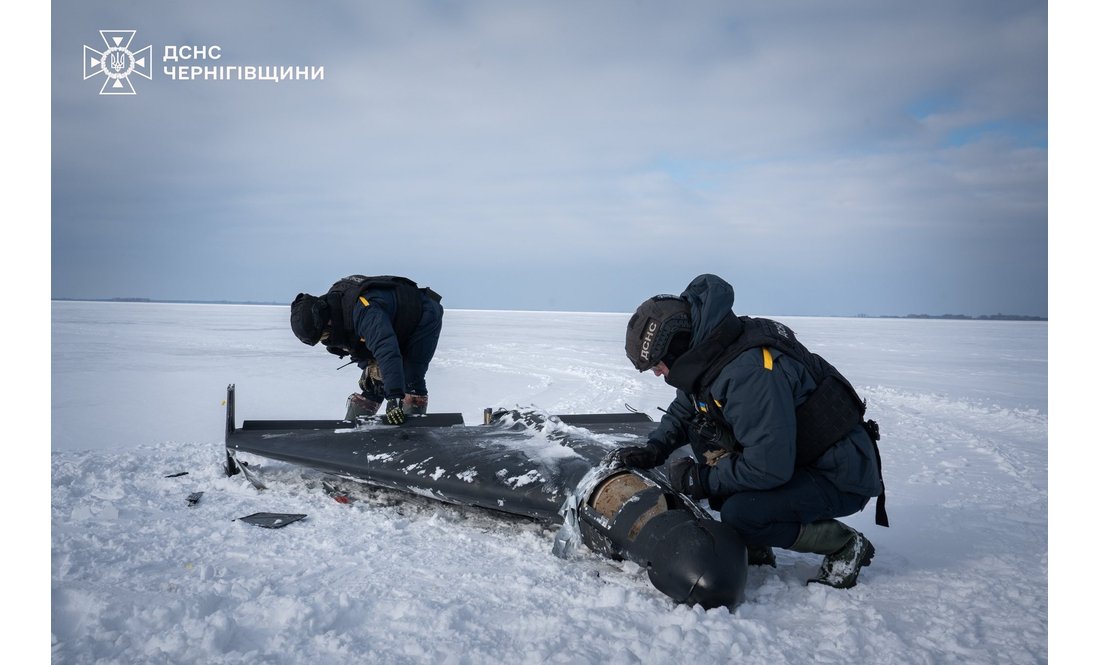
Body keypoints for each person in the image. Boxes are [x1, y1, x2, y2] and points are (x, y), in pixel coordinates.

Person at [616, 274, 887, 589]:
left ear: (675, 347)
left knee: (741, 512)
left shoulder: (748, 374)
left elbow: (767, 468)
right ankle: (756, 542)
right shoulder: (714, 349)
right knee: (713, 461)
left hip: (840, 473)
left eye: (656, 364)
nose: (656, 372)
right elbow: (686, 408)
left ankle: (843, 544)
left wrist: (700, 480)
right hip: (798, 457)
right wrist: (655, 449)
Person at [290, 274, 443, 425]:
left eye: (322, 335)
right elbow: (356, 343)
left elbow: (386, 349)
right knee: (374, 382)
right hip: (391, 322)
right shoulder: (337, 314)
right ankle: (353, 430)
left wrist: (394, 396)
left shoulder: (364, 311)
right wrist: (368, 366)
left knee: (410, 377)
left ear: (326, 321)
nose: (324, 340)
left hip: (423, 314)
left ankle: (413, 432)